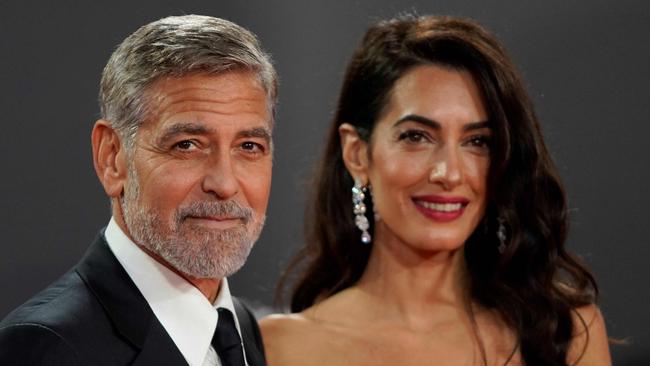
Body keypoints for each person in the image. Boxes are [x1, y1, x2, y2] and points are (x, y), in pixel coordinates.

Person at [261, 15, 611, 366]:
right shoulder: (283, 347)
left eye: (477, 141)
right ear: (357, 154)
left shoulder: (565, 333)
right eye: (416, 136)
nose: (449, 173)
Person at [0, 14, 277, 366]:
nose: (224, 184)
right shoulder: (46, 348)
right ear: (112, 158)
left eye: (249, 146)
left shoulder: (239, 328)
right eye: (187, 145)